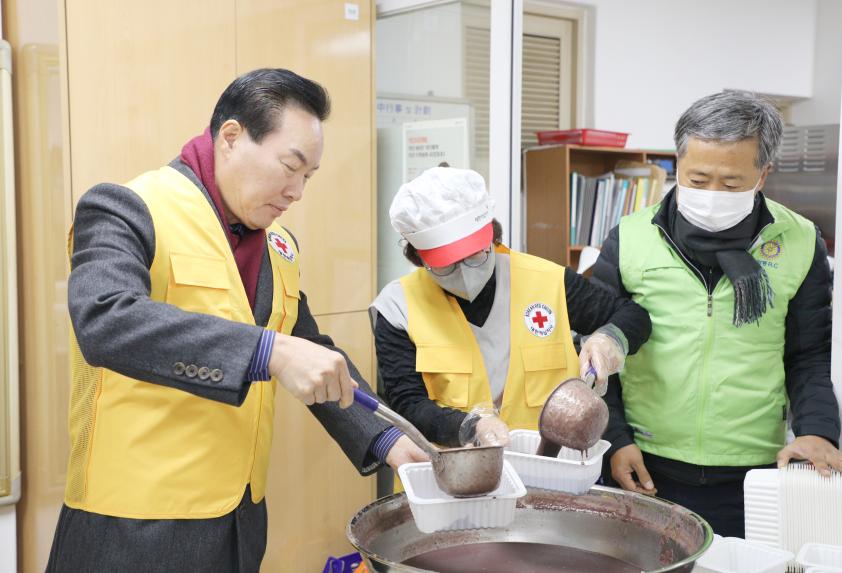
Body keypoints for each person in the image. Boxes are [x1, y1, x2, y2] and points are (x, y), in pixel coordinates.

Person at [47, 68, 425, 573]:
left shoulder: (279, 246)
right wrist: (267, 351)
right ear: (230, 137)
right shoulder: (128, 207)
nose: (297, 192)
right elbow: (105, 318)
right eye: (290, 166)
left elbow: (310, 349)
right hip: (132, 525)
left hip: (238, 521)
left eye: (309, 177)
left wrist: (386, 437)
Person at [593, 90, 842, 538]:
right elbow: (599, 354)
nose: (711, 195)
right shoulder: (631, 237)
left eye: (730, 184)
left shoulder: (800, 241)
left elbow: (808, 356)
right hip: (645, 463)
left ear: (763, 175)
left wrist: (819, 432)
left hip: (751, 471)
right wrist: (615, 439)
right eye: (698, 178)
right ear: (678, 162)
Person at [370, 166, 651, 451]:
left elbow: (634, 316)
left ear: (492, 236)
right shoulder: (398, 307)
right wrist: (470, 426)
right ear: (418, 258)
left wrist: (609, 340)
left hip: (547, 466)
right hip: (452, 469)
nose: (465, 272)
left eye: (475, 254)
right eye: (445, 265)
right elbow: (408, 404)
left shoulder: (547, 281)